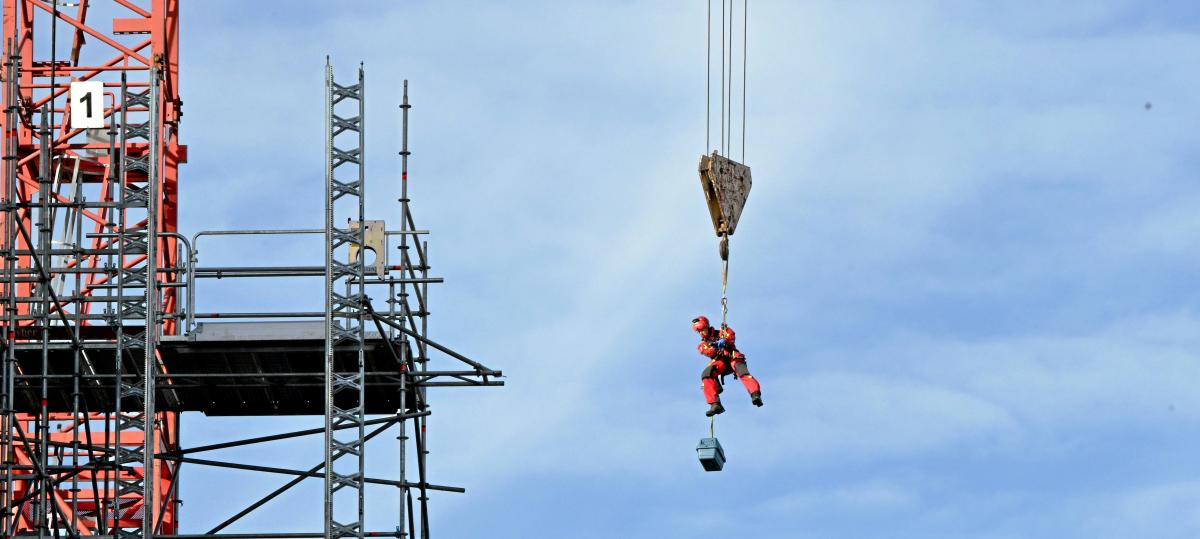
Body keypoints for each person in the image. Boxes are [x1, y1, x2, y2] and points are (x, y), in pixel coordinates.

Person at [692, 315, 763, 416]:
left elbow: (731, 336)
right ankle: (715, 404)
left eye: (702, 330)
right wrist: (715, 347)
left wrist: (724, 339)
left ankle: (755, 394)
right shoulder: (702, 345)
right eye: (699, 331)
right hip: (721, 362)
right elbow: (708, 352)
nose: (701, 333)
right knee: (706, 374)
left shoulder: (721, 331)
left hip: (732, 357)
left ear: (707, 327)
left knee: (743, 372)